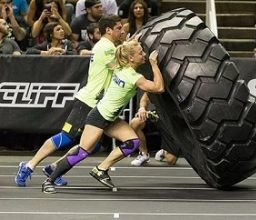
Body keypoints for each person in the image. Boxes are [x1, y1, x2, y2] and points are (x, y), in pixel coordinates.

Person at [41, 40, 164, 194]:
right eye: (141, 53)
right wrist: (154, 63)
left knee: (133, 142)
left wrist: (130, 42)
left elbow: (113, 62)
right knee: (82, 152)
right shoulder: (133, 76)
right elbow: (159, 88)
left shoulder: (119, 66)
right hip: (98, 117)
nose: (144, 55)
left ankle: (101, 169)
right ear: (131, 58)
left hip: (110, 119)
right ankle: (48, 180)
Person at [15, 15, 123, 187]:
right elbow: (122, 66)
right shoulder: (107, 47)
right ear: (108, 30)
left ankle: (54, 168)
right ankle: (28, 165)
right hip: (88, 101)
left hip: (100, 105)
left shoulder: (109, 46)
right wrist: (133, 46)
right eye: (119, 28)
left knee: (91, 146)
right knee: (66, 138)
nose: (122, 30)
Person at [129, 92, 179, 166]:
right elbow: (145, 97)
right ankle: (143, 154)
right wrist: (142, 108)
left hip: (173, 121)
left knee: (171, 160)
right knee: (135, 122)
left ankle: (164, 151)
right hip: (158, 115)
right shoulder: (156, 84)